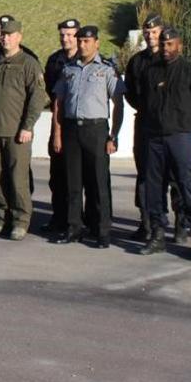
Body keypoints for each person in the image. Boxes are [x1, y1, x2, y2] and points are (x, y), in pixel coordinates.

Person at [137, 27, 191, 261]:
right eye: (163, 44)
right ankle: (158, 234)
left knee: (187, 186)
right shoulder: (150, 72)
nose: (166, 49)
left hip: (179, 138)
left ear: (179, 45)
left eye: (170, 44)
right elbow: (143, 101)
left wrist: (188, 126)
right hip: (154, 138)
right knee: (154, 187)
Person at [51, 25, 124, 248]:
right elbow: (58, 103)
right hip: (72, 129)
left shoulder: (107, 70)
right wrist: (57, 133)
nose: (82, 45)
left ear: (97, 43)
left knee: (98, 182)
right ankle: (74, 228)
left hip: (96, 129)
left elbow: (118, 102)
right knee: (73, 182)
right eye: (80, 41)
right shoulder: (69, 69)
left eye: (87, 41)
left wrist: (114, 135)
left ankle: (102, 231)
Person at [0, 19, 48, 241]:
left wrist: (28, 126)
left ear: (19, 36)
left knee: (18, 179)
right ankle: (1, 217)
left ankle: (20, 221)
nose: (4, 37)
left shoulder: (29, 63)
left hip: (18, 133)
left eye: (9, 34)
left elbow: (37, 99)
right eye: (2, 34)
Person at [124, 14, 184, 241]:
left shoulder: (173, 60)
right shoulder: (137, 61)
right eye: (147, 32)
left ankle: (181, 225)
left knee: (176, 177)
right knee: (145, 176)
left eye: (155, 32)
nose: (150, 36)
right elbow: (130, 91)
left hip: (172, 127)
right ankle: (147, 223)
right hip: (146, 125)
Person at [41, 18, 80, 233]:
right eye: (62, 34)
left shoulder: (85, 59)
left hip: (79, 123)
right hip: (59, 121)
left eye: (70, 35)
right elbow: (51, 91)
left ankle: (83, 220)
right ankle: (59, 217)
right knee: (57, 175)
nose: (65, 38)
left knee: (81, 176)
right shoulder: (54, 60)